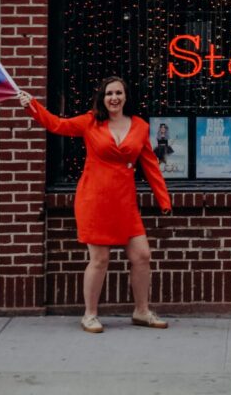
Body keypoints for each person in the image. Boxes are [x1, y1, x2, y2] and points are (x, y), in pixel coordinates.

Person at [18, 76, 172, 334]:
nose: (114, 98)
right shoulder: (91, 121)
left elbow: (151, 165)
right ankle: (90, 314)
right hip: (94, 199)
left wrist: (163, 199)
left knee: (142, 255)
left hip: (124, 201)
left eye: (118, 93)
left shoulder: (140, 126)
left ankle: (142, 311)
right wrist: (31, 105)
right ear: (102, 97)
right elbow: (57, 124)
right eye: (109, 93)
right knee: (99, 259)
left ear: (125, 97)